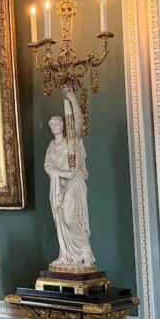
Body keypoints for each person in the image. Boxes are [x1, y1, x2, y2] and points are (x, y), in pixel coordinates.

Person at [43, 99, 96, 270]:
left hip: (75, 181)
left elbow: (78, 123)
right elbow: (48, 165)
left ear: (63, 126)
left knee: (69, 216)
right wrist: (60, 173)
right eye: (52, 125)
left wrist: (72, 99)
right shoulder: (51, 146)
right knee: (61, 219)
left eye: (58, 124)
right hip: (59, 184)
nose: (55, 127)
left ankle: (86, 251)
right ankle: (66, 254)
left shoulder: (72, 141)